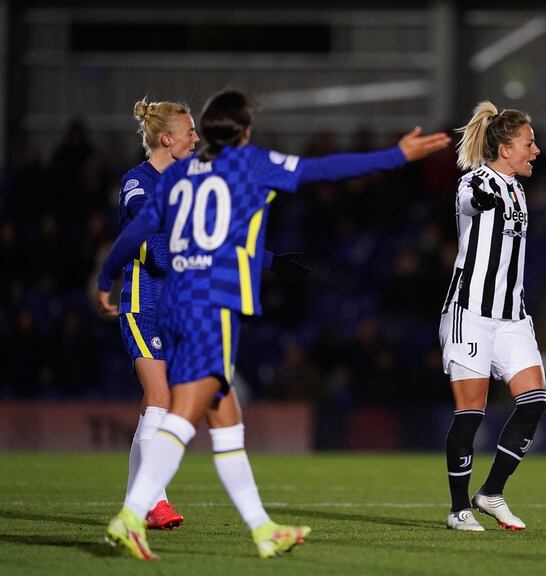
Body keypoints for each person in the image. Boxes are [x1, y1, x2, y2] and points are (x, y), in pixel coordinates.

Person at [96, 89, 450, 559]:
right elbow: (322, 169)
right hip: (210, 308)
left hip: (182, 304)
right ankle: (133, 512)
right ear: (243, 132)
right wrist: (397, 154)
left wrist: (105, 276)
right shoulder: (248, 165)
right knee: (182, 413)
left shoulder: (179, 176)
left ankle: (262, 529)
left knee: (224, 419)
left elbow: (138, 234)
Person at [114, 99, 310, 531]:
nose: (197, 138)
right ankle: (152, 503)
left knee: (154, 405)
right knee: (163, 400)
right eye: (189, 132)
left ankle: (139, 502)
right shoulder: (138, 183)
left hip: (180, 308)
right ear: (167, 138)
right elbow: (158, 249)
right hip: (144, 305)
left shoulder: (190, 182)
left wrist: (271, 260)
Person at [439, 101, 545, 532]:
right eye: (528, 143)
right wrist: (479, 198)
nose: (535, 150)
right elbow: (467, 200)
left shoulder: (518, 188)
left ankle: (491, 492)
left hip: (512, 317)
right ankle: (458, 508)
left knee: (534, 402)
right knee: (471, 412)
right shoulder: (476, 181)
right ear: (505, 149)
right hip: (471, 314)